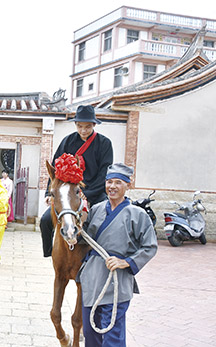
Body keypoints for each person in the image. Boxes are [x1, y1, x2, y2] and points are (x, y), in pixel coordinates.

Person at [79, 163, 157, 346]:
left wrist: (126, 262)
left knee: (112, 336)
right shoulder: (96, 209)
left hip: (116, 281)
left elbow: (150, 246)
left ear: (127, 185)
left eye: (118, 182)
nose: (112, 186)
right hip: (92, 279)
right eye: (109, 182)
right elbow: (85, 239)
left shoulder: (137, 214)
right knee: (90, 334)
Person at [40, 105, 113, 257]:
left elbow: (104, 173)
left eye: (87, 127)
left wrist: (87, 193)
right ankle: (50, 254)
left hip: (94, 191)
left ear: (94, 125)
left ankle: (102, 255)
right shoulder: (68, 141)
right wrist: (49, 192)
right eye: (80, 126)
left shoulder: (104, 143)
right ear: (76, 125)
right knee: (45, 221)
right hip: (69, 193)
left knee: (104, 222)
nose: (83, 130)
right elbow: (55, 170)